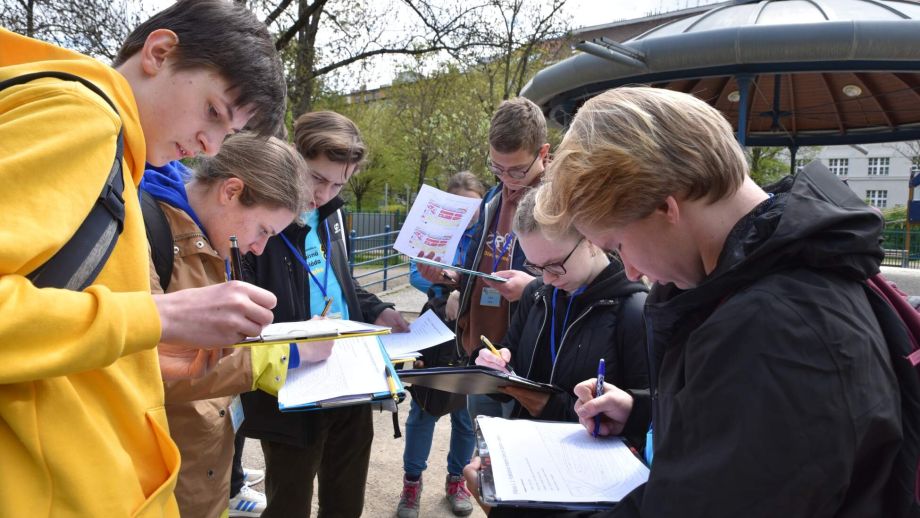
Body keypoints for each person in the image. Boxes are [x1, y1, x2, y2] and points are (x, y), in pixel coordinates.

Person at [474, 85, 911, 517]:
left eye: (619, 245)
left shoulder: (773, 330)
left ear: (666, 208)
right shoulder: (766, 283)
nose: (629, 272)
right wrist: (642, 412)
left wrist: (513, 509)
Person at [0, 0, 286, 515]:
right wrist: (161, 316)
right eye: (213, 112)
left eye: (227, 133)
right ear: (159, 52)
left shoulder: (118, 159)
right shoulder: (80, 119)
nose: (208, 143)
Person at [142, 133, 330, 517]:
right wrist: (290, 352)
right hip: (159, 477)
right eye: (262, 230)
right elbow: (151, 368)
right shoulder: (148, 233)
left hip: (200, 469)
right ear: (230, 191)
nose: (260, 248)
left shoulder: (208, 235)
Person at [239, 110, 411, 518]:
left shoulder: (332, 212)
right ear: (294, 158)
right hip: (291, 380)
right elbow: (244, 312)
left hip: (350, 375)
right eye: (317, 178)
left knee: (346, 497)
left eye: (339, 183)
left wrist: (378, 309)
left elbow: (338, 282)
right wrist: (297, 342)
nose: (324, 193)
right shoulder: (263, 219)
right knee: (290, 502)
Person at [416, 97, 549, 420]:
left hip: (525, 362)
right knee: (484, 458)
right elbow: (478, 267)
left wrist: (532, 287)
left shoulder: (558, 201)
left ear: (543, 153)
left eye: (517, 169)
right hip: (480, 355)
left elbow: (588, 281)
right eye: (497, 168)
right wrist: (450, 278)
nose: (507, 178)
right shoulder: (492, 199)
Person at [473, 186, 648, 425]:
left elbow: (648, 415)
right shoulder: (537, 294)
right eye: (535, 267)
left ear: (591, 239)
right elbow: (511, 359)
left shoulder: (635, 310)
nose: (546, 279)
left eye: (555, 265)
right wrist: (494, 365)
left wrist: (548, 405)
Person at [398, 171, 486, 518]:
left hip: (472, 327)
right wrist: (444, 286)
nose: (466, 213)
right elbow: (417, 273)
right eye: (459, 205)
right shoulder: (440, 230)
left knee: (465, 412)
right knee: (424, 406)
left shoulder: (487, 236)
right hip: (435, 323)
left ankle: (456, 480)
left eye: (472, 206)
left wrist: (460, 289)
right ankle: (411, 481)